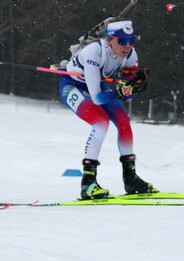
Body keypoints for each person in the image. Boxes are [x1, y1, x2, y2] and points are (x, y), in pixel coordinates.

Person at [59, 19, 153, 199]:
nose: (127, 46)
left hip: (98, 86)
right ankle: (87, 183)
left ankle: (130, 178)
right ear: (110, 39)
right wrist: (121, 92)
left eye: (131, 41)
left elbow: (126, 91)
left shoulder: (130, 55)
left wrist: (133, 88)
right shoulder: (94, 51)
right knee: (101, 122)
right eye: (122, 41)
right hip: (74, 86)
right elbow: (96, 97)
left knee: (124, 121)